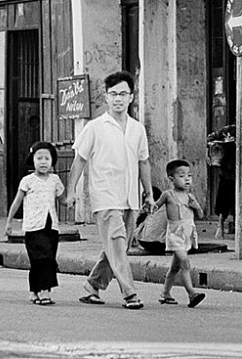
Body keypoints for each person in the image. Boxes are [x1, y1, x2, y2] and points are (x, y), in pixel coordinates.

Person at [66, 70, 155, 310]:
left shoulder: (137, 129)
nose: (118, 99)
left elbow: (143, 162)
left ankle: (92, 286)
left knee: (118, 247)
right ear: (106, 97)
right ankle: (130, 293)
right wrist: (71, 190)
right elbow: (80, 160)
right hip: (105, 196)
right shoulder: (95, 127)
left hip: (130, 196)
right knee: (116, 243)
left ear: (131, 97)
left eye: (123, 94)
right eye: (113, 94)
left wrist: (149, 193)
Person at [4, 141, 65, 305]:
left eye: (47, 158)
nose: (43, 162)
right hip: (33, 227)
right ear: (33, 160)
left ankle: (34, 291)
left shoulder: (55, 180)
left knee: (48, 259)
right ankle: (44, 292)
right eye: (39, 158)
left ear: (52, 161)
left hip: (51, 226)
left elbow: (62, 200)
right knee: (41, 258)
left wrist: (72, 199)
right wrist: (9, 222)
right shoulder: (27, 180)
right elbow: (16, 202)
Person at [155, 160, 206, 308]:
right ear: (171, 179)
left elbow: (201, 215)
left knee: (175, 268)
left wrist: (196, 207)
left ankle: (165, 294)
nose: (187, 179)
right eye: (182, 176)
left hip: (188, 234)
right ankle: (191, 294)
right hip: (175, 234)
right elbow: (155, 206)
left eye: (189, 175)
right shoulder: (168, 195)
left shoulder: (190, 196)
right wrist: (148, 205)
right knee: (185, 262)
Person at [207, 125, 235, 239]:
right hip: (228, 171)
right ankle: (220, 226)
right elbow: (210, 139)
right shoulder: (227, 130)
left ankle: (239, 227)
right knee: (224, 199)